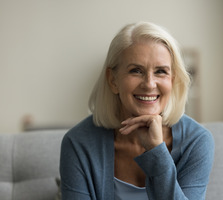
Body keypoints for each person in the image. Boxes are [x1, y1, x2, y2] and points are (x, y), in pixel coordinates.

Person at [60, 21, 214, 200]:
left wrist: (156, 151)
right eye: (136, 71)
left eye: (160, 71)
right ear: (113, 81)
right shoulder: (78, 143)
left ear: (172, 80)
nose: (149, 84)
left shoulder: (197, 141)